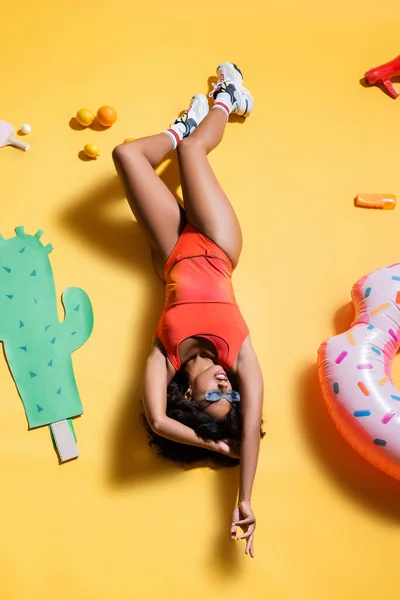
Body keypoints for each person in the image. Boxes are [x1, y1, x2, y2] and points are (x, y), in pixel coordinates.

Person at [112, 63, 264, 558]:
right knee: (196, 150)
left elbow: (157, 421)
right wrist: (245, 496)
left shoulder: (166, 357)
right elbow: (251, 413)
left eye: (214, 397)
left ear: (189, 399)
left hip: (174, 249)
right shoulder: (240, 358)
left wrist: (209, 444)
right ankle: (229, 96)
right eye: (231, 395)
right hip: (218, 244)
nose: (227, 387)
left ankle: (180, 125)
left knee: (127, 154)